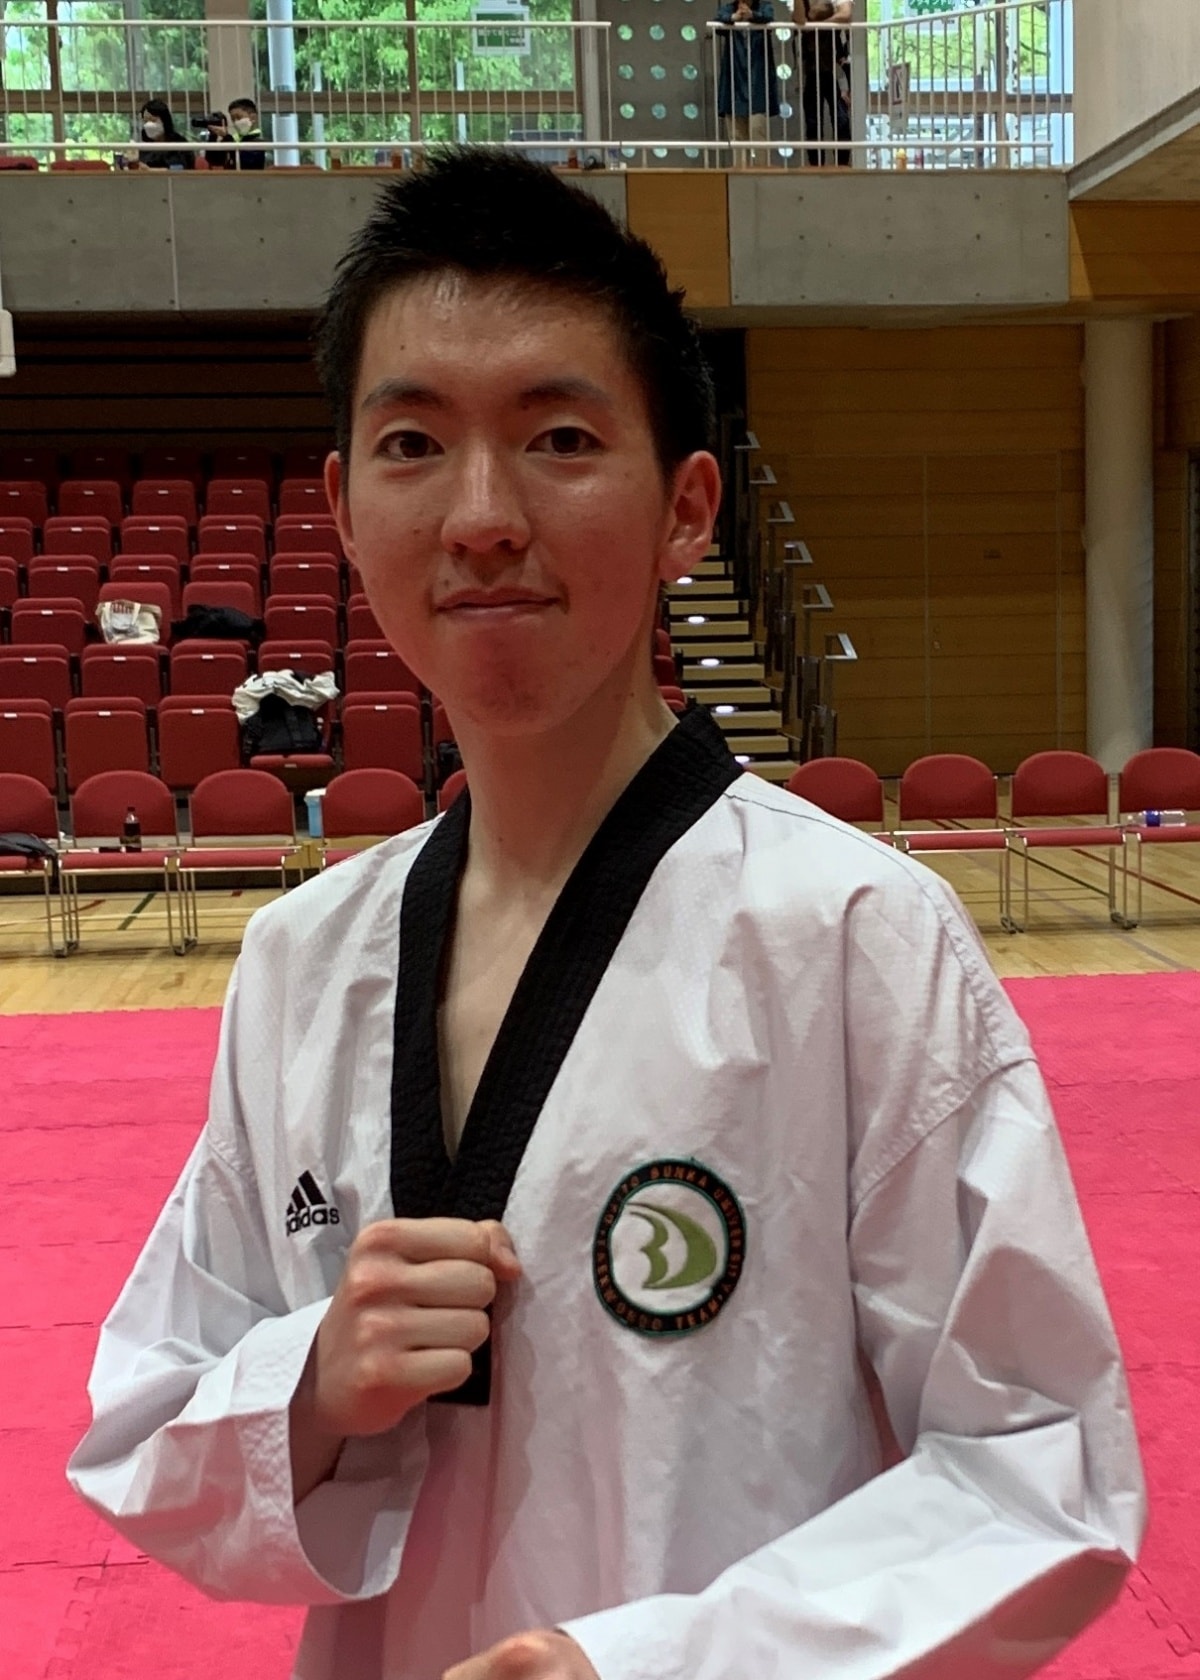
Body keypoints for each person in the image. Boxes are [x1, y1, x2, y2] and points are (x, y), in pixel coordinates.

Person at [68, 148, 1145, 1680]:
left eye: (559, 438)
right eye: (414, 443)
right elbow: (152, 1414)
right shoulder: (302, 961)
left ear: (686, 508)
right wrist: (311, 1386)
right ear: (345, 506)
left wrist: (658, 1664)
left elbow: (1036, 1472)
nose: (481, 515)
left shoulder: (856, 935)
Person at [714, 0, 779, 167]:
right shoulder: (729, 8)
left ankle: (762, 171)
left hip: (757, 77)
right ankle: (739, 172)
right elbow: (718, 20)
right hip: (735, 78)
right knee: (736, 134)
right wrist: (733, 17)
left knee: (758, 129)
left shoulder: (764, 5)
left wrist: (752, 15)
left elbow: (768, 16)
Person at [798, 0, 853, 167]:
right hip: (813, 72)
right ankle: (818, 165)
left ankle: (841, 164)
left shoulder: (833, 29)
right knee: (814, 122)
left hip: (833, 72)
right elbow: (798, 18)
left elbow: (845, 14)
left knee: (840, 120)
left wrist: (819, 24)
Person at [136, 99, 194, 170]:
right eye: (145, 121)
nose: (148, 125)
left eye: (153, 120)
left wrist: (152, 171)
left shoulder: (179, 143)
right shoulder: (145, 147)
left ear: (164, 120)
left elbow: (181, 168)